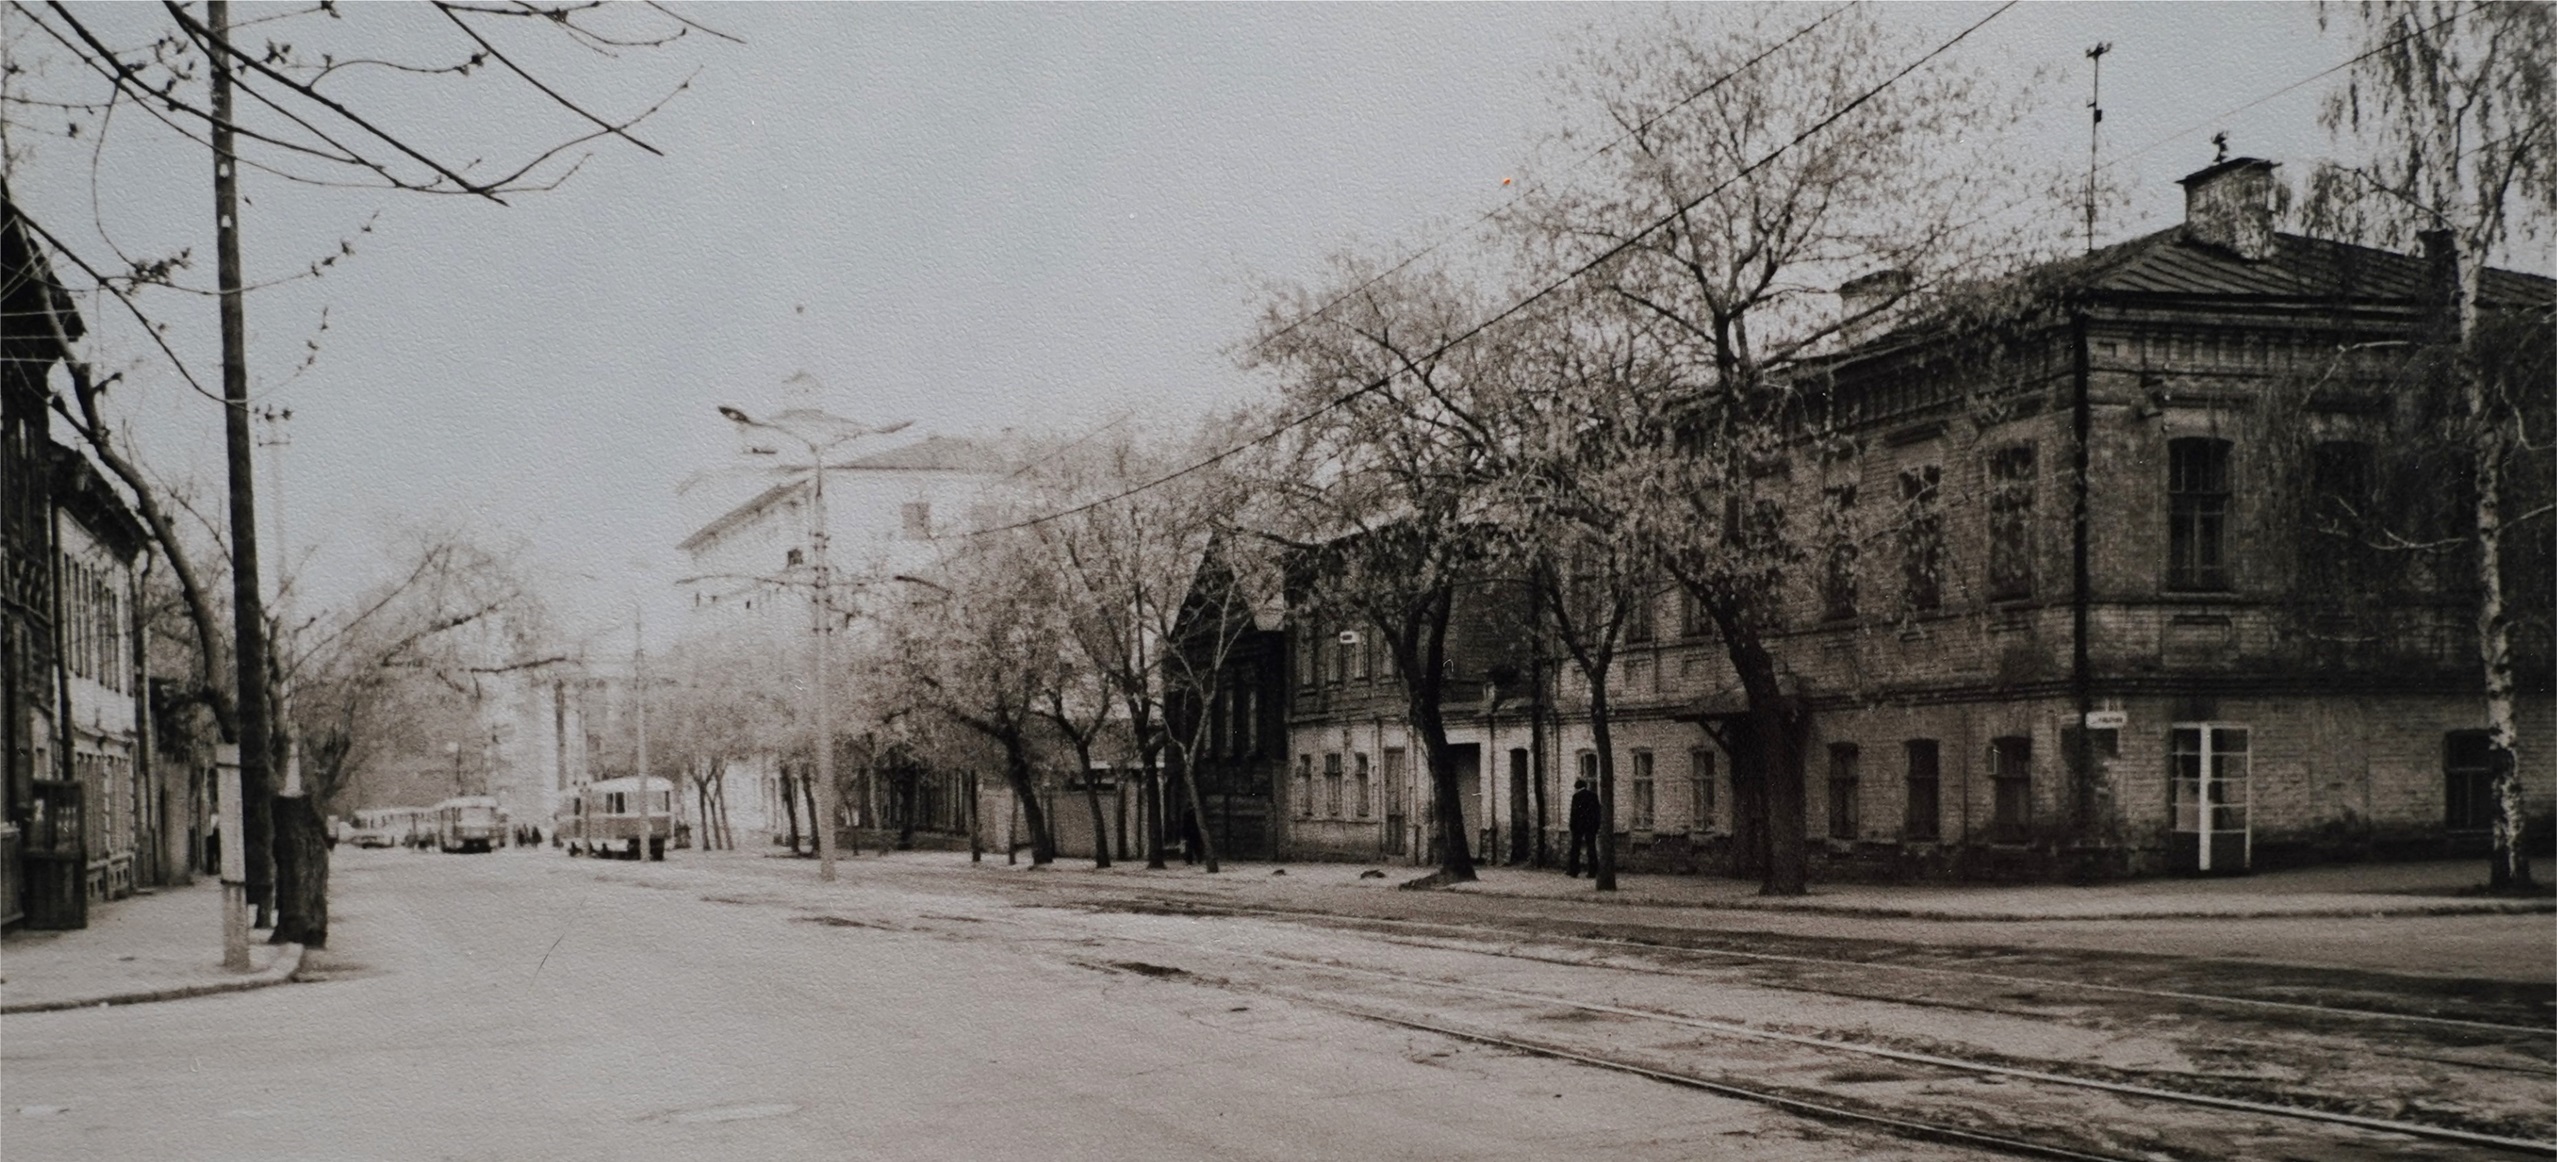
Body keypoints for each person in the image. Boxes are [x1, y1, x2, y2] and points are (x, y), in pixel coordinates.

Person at [1566, 777, 1601, 878]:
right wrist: (1596, 825)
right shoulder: (1593, 796)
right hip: (1591, 826)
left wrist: (1572, 826)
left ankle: (1574, 870)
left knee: (1575, 848)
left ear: (1577, 787)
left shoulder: (1576, 797)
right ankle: (1592, 871)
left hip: (1578, 826)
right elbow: (1597, 811)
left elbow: (1574, 813)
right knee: (1591, 848)